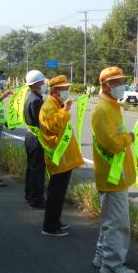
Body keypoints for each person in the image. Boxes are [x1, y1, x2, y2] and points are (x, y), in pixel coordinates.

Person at [91, 66, 137, 273]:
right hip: (112, 174)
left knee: (111, 220)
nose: (122, 86)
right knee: (118, 223)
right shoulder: (103, 110)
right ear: (107, 85)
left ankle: (102, 255)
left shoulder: (111, 107)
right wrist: (129, 138)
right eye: (117, 82)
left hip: (115, 172)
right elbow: (111, 143)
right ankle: (112, 264)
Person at [38, 75, 84, 236]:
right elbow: (54, 126)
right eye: (65, 88)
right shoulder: (49, 106)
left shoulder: (57, 103)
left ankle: (55, 220)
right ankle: (50, 226)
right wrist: (65, 110)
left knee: (59, 192)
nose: (67, 91)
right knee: (56, 193)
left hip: (64, 156)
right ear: (55, 90)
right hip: (58, 156)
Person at [24, 69, 47, 208]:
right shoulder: (36, 101)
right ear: (35, 84)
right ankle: (36, 199)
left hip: (30, 136)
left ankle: (29, 194)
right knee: (37, 170)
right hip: (37, 137)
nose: (44, 84)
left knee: (31, 168)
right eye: (42, 82)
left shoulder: (30, 98)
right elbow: (42, 123)